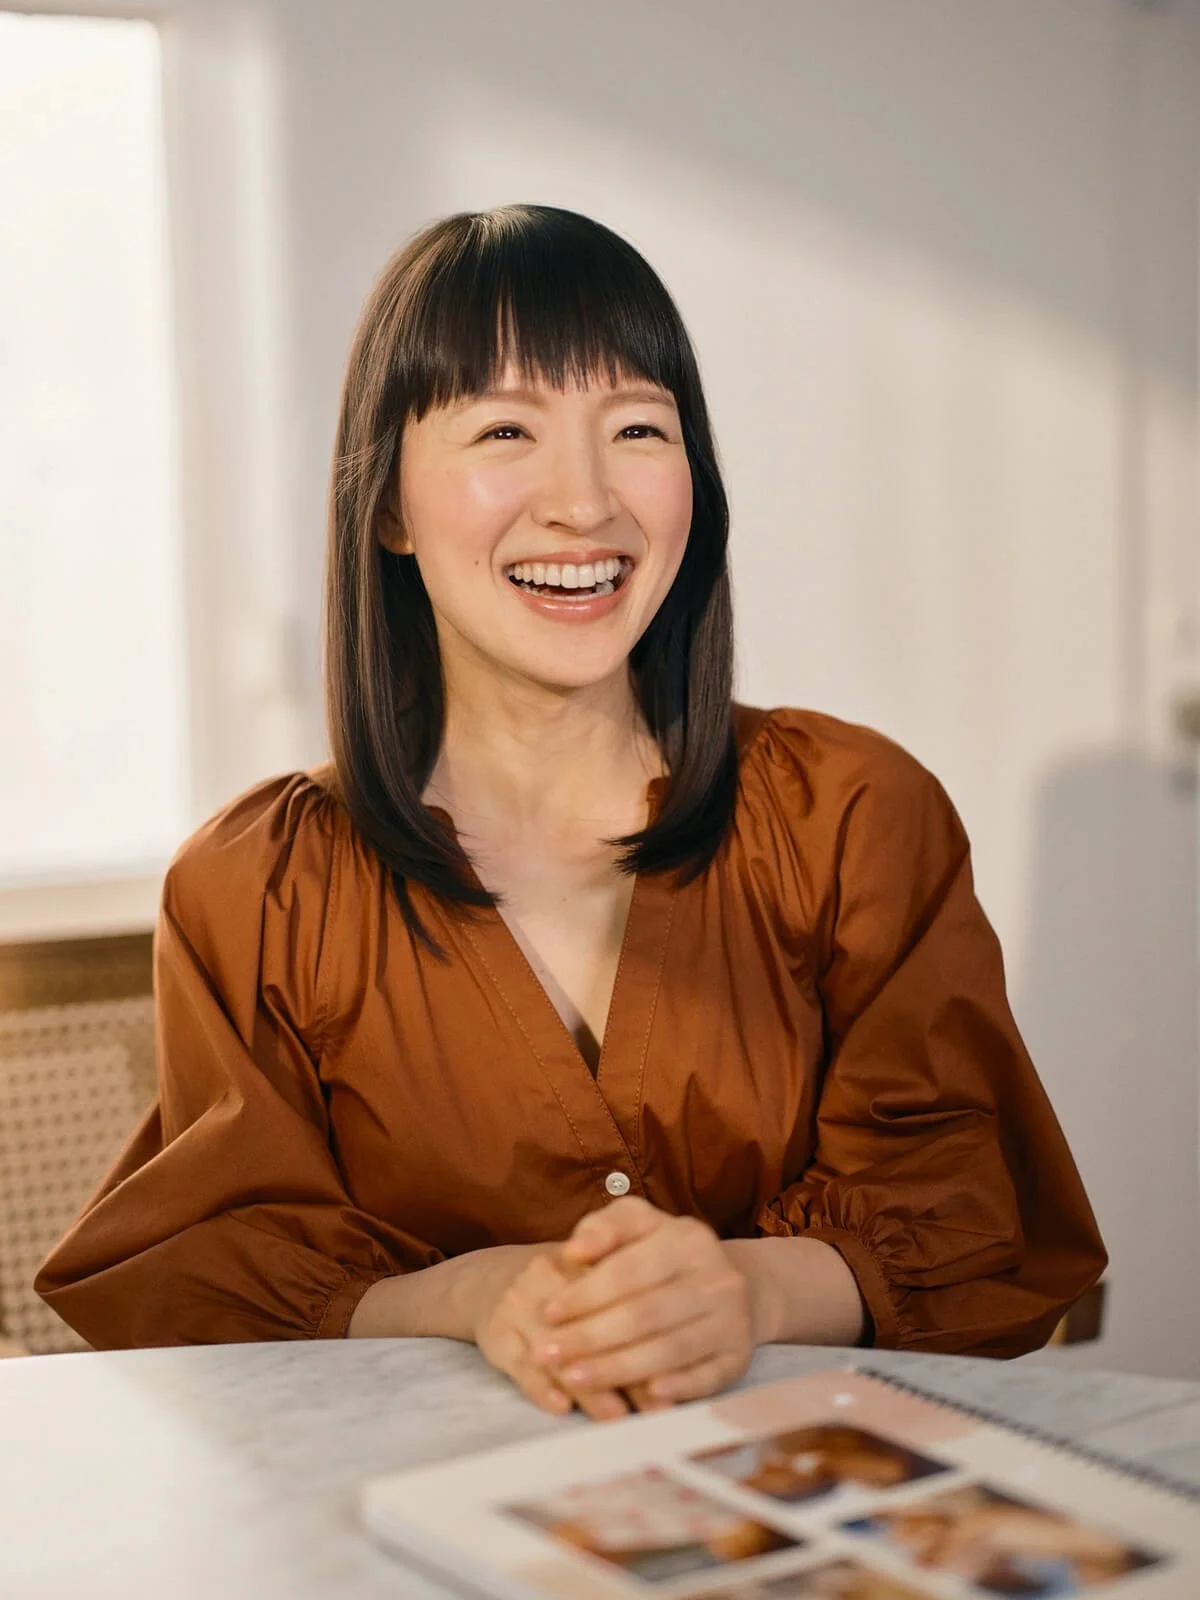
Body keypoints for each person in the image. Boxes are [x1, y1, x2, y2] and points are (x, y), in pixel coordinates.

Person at [36, 204, 1107, 1421]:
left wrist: (744, 1292)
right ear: (387, 506)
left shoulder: (854, 815)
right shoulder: (253, 888)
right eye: (506, 428)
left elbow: (961, 1204)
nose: (583, 502)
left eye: (637, 428)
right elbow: (221, 1269)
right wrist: (476, 1293)